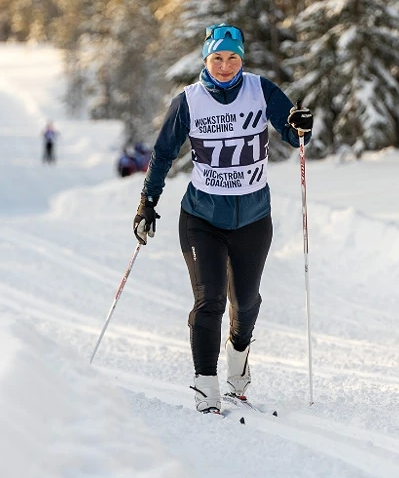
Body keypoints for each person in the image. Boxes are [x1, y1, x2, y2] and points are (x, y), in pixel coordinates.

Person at [132, 24, 313, 414]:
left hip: (252, 218)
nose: (226, 65)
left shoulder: (260, 90)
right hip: (202, 218)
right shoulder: (189, 101)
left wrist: (300, 125)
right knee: (209, 301)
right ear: (206, 60)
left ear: (242, 60)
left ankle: (239, 354)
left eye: (233, 58)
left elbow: (292, 130)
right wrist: (147, 202)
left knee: (245, 304)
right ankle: (206, 387)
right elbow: (163, 153)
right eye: (218, 58)